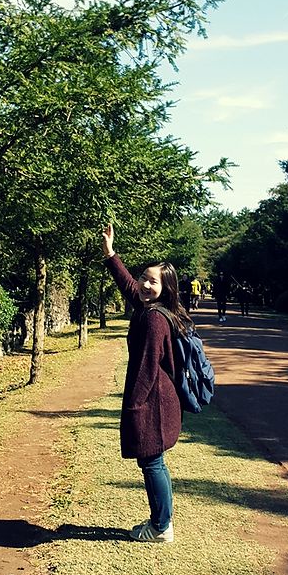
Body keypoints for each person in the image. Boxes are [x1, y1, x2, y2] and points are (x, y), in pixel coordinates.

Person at [102, 223, 191, 543]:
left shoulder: (154, 319)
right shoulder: (149, 308)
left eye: (153, 281)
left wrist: (134, 407)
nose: (144, 284)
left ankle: (161, 527)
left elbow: (146, 368)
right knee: (154, 462)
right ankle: (161, 521)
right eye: (143, 277)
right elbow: (129, 287)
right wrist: (111, 254)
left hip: (154, 402)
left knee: (152, 463)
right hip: (159, 399)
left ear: (165, 288)